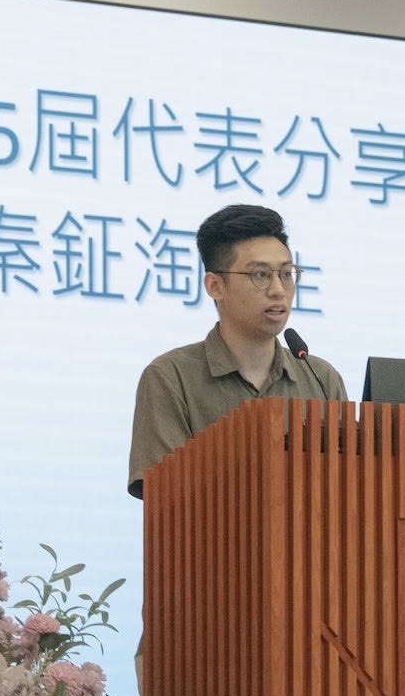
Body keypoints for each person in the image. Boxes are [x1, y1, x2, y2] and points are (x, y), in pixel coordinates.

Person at [126, 204, 348, 499]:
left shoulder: (320, 379)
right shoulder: (171, 378)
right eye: (260, 275)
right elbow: (166, 498)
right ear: (215, 286)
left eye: (286, 274)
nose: (278, 290)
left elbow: (347, 487)